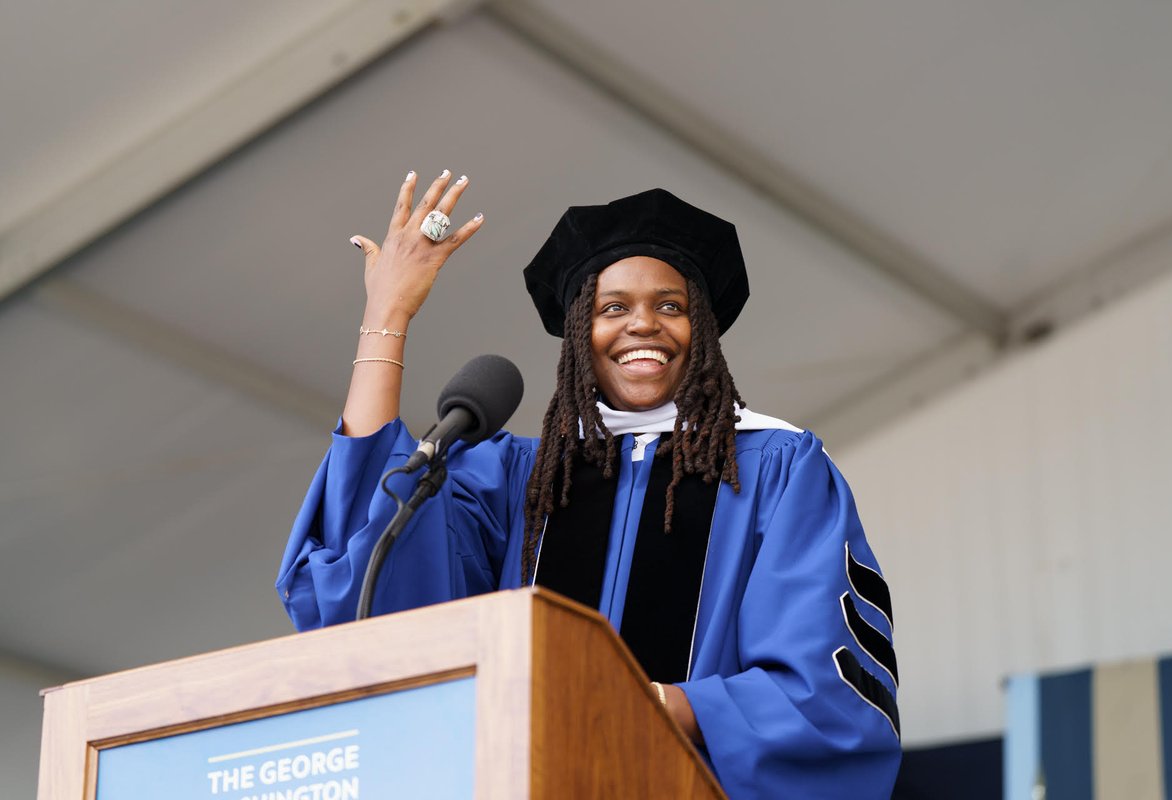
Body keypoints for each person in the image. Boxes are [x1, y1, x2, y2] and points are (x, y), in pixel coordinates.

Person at [277, 171, 901, 799]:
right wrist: (387, 315)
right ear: (582, 333)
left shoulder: (775, 468)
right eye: (613, 308)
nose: (643, 325)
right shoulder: (516, 479)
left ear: (702, 331)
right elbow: (372, 563)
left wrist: (647, 702)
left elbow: (824, 695)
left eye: (671, 306)